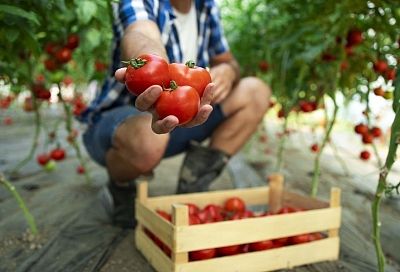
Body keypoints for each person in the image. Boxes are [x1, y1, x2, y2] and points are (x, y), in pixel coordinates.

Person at [80, 0, 271, 228]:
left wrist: (228, 71)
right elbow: (141, 33)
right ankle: (121, 187)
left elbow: (227, 60)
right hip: (119, 125)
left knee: (256, 91)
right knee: (148, 138)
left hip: (181, 116)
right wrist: (153, 68)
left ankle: (194, 182)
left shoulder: (206, 6)